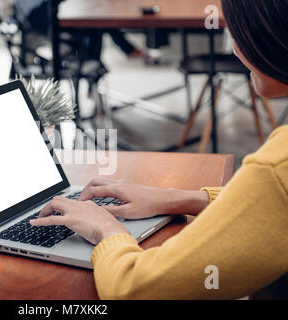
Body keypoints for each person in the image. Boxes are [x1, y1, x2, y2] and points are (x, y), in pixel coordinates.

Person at [30, 0, 288, 299]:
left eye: (237, 32)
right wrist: (176, 199)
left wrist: (106, 229)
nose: (234, 49)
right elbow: (267, 208)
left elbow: (136, 289)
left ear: (271, 31)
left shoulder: (278, 166)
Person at [15, 0, 145, 59]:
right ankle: (126, 49)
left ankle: (91, 72)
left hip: (45, 11)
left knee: (96, 21)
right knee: (96, 21)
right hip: (36, 15)